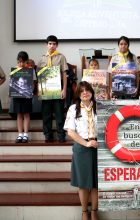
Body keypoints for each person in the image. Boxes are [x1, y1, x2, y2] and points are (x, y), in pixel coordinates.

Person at [64, 81, 98, 220]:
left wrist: (95, 142)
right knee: (83, 183)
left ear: (92, 92)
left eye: (87, 90)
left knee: (96, 183)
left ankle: (95, 211)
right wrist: (86, 143)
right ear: (78, 94)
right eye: (82, 91)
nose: (85, 93)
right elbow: (70, 132)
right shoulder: (73, 108)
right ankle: (85, 212)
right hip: (81, 147)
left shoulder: (99, 106)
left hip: (98, 146)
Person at [37, 35, 68, 142]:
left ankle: (61, 135)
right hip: (45, 91)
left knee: (59, 114)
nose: (52, 46)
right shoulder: (42, 58)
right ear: (46, 45)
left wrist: (64, 89)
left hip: (58, 90)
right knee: (46, 114)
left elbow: (64, 74)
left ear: (57, 45)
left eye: (54, 44)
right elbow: (39, 75)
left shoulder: (61, 57)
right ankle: (47, 135)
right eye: (50, 43)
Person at [13, 51, 36, 143]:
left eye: (23, 62)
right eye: (19, 62)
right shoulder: (14, 69)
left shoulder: (30, 70)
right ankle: (20, 134)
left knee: (26, 114)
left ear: (27, 61)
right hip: (17, 96)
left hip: (27, 96)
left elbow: (34, 83)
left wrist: (30, 92)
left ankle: (26, 134)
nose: (21, 64)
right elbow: (12, 83)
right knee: (19, 114)